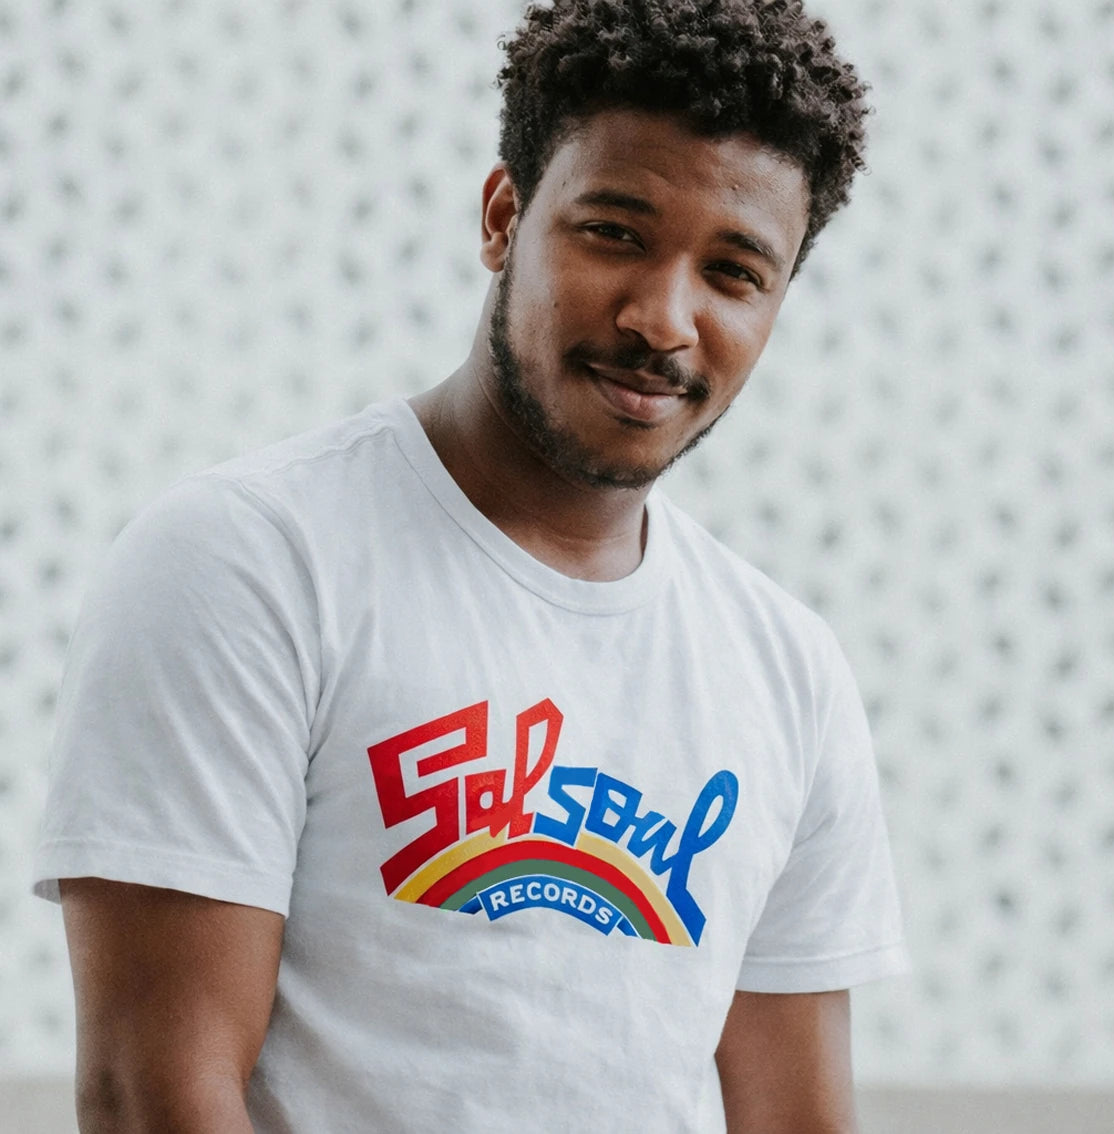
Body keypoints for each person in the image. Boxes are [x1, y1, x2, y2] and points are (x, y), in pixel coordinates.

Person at [35, 1, 908, 1130]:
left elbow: (794, 1117)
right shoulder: (248, 563)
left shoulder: (788, 670)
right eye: (615, 233)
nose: (662, 318)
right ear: (504, 216)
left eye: (735, 271)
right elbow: (153, 1095)